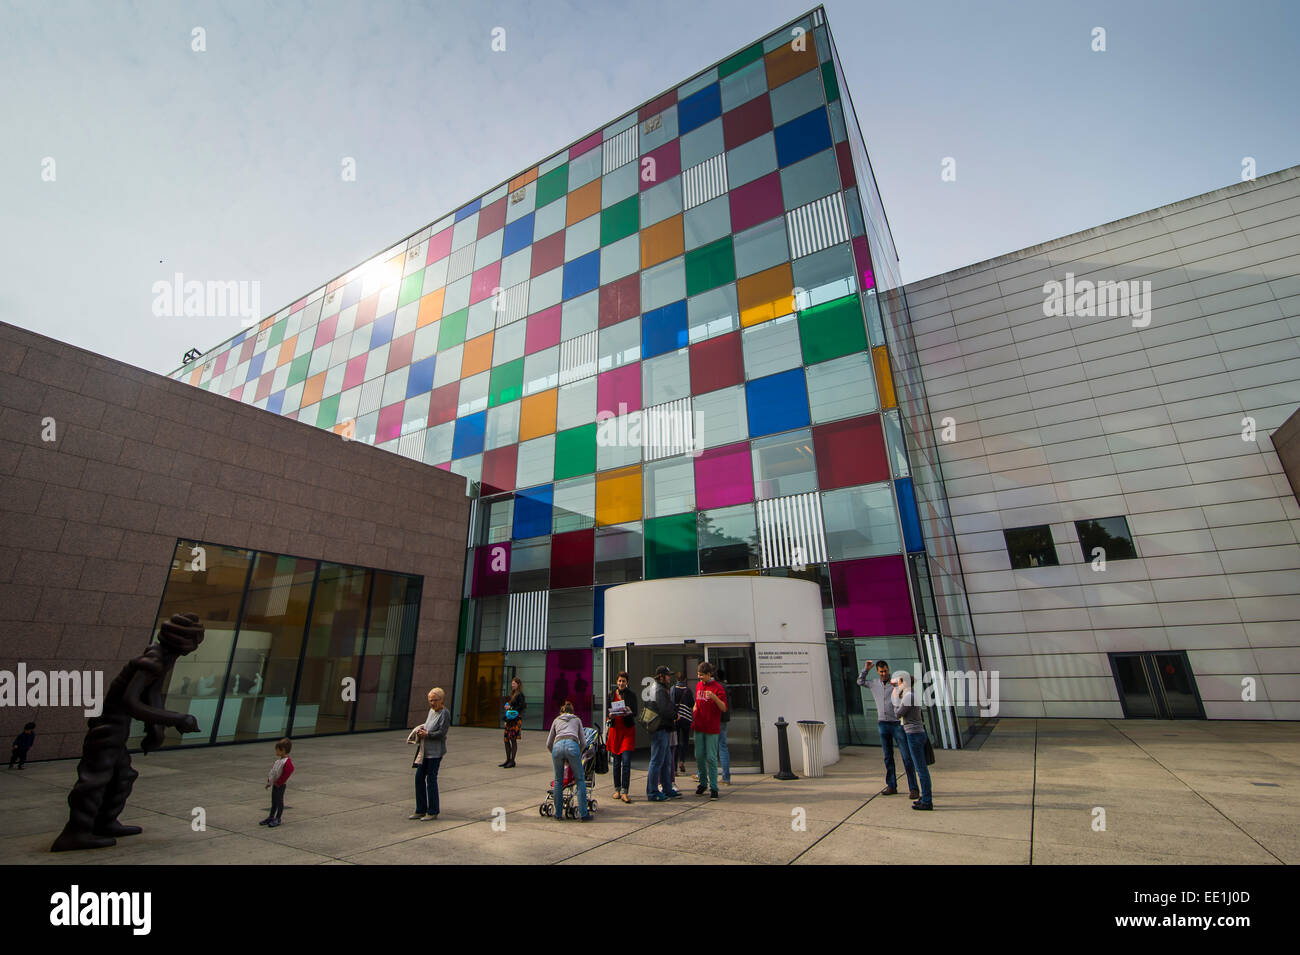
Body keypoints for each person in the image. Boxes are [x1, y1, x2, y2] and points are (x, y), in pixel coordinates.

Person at [857, 658, 919, 800]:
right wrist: (866, 669)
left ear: (888, 670)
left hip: (897, 723)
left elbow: (910, 681)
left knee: (906, 756)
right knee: (887, 756)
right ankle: (891, 785)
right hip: (882, 724)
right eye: (881, 671)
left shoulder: (895, 683)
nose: (883, 673)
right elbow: (860, 682)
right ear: (878, 672)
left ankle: (913, 788)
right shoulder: (874, 684)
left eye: (885, 671)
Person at [892, 671, 934, 810]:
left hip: (914, 735)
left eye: (899, 682)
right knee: (921, 768)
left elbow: (897, 714)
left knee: (921, 769)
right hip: (917, 733)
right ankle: (924, 796)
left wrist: (895, 698)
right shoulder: (911, 695)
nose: (897, 685)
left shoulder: (908, 697)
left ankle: (927, 800)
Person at [545, 701, 591, 822]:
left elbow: (548, 743)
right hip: (572, 745)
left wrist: (555, 753)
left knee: (559, 780)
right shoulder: (577, 720)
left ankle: (558, 814)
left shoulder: (556, 720)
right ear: (572, 711)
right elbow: (584, 742)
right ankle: (583, 814)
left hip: (557, 746)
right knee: (580, 780)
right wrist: (577, 754)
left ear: (562, 711)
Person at [411, 687, 449, 821]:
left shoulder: (444, 713)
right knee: (419, 778)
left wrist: (428, 734)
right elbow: (428, 725)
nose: (432, 703)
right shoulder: (431, 711)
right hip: (425, 751)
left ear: (441, 699)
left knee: (431, 780)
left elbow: (442, 733)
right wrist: (422, 730)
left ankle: (433, 811)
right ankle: (420, 809)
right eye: (430, 700)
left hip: (435, 753)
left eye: (435, 700)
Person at [644, 666, 682, 802]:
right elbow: (664, 709)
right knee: (657, 761)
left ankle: (666, 789)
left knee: (665, 761)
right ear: (661, 676)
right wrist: (675, 715)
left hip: (662, 728)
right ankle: (652, 792)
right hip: (660, 728)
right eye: (667, 675)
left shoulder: (655, 688)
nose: (669, 678)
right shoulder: (659, 690)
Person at [691, 662, 728, 798]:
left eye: (701, 676)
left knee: (711, 757)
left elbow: (724, 707)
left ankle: (714, 787)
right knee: (699, 755)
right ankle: (702, 783)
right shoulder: (699, 685)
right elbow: (697, 700)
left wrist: (714, 697)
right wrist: (695, 708)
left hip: (712, 727)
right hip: (699, 726)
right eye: (698, 675)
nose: (699, 678)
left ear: (709, 674)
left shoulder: (717, 688)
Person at [606, 671, 637, 803]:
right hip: (615, 731)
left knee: (626, 761)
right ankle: (617, 789)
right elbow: (608, 711)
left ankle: (625, 791)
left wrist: (627, 712)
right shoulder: (611, 694)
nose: (621, 683)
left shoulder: (631, 695)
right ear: (617, 681)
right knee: (616, 762)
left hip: (627, 731)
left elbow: (635, 712)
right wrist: (610, 716)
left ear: (627, 682)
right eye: (619, 681)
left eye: (623, 681)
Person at [260, 738, 294, 828]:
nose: (276, 752)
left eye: (277, 750)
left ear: (283, 750)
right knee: (274, 802)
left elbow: (288, 772)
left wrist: (279, 782)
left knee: (279, 802)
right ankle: (271, 817)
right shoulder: (278, 761)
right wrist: (269, 782)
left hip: (280, 785)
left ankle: (278, 818)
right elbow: (273, 772)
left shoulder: (286, 762)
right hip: (275, 784)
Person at [670, 672, 694, 775]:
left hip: (676, 719)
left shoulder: (673, 689)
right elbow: (691, 704)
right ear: (685, 679)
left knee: (675, 743)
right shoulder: (688, 690)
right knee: (684, 741)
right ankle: (682, 761)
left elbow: (670, 703)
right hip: (686, 719)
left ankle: (674, 769)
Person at [502, 677, 525, 768]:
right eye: (512, 683)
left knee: (513, 739)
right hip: (510, 719)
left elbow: (521, 707)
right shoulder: (513, 694)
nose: (512, 685)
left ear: (518, 684)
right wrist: (508, 707)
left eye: (514, 683)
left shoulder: (520, 695)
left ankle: (512, 760)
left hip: (515, 719)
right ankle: (508, 759)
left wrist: (510, 708)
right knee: (506, 739)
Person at [716, 670, 732, 786]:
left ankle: (702, 774)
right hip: (723, 719)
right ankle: (726, 777)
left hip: (716, 719)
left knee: (710, 748)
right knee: (722, 747)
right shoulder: (725, 687)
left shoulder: (716, 687)